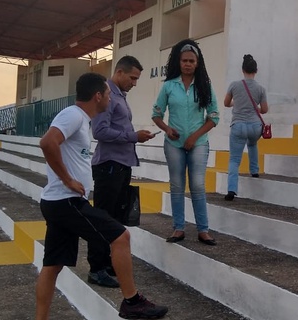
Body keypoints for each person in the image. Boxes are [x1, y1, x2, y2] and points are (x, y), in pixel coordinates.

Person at [31, 72, 168, 320]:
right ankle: (132, 301)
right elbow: (47, 143)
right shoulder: (73, 115)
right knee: (120, 237)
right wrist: (68, 179)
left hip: (59, 201)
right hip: (67, 201)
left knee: (53, 265)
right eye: (107, 94)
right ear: (97, 96)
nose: (109, 97)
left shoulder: (79, 118)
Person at [88, 55, 156, 288]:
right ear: (119, 72)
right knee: (103, 217)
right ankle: (96, 268)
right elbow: (99, 131)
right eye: (132, 78)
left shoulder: (120, 97)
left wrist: (135, 137)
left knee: (114, 219)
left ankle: (107, 263)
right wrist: (132, 136)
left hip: (121, 164)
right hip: (109, 165)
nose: (134, 83)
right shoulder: (105, 95)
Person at [152, 39, 220, 246]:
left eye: (191, 60)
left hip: (198, 143)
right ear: (178, 62)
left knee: (198, 185)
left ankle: (203, 230)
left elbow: (214, 117)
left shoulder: (205, 86)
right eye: (184, 60)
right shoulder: (169, 86)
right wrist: (167, 129)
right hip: (173, 145)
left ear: (197, 63)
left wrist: (194, 136)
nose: (188, 64)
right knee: (177, 185)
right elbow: (156, 114)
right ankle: (178, 228)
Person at [223, 54, 269, 201]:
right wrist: (255, 109)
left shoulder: (234, 85)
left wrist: (235, 104)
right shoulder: (261, 88)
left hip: (238, 125)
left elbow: (226, 103)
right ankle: (254, 170)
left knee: (234, 159)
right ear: (256, 71)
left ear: (242, 70)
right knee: (252, 144)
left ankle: (231, 190)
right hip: (255, 126)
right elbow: (265, 109)